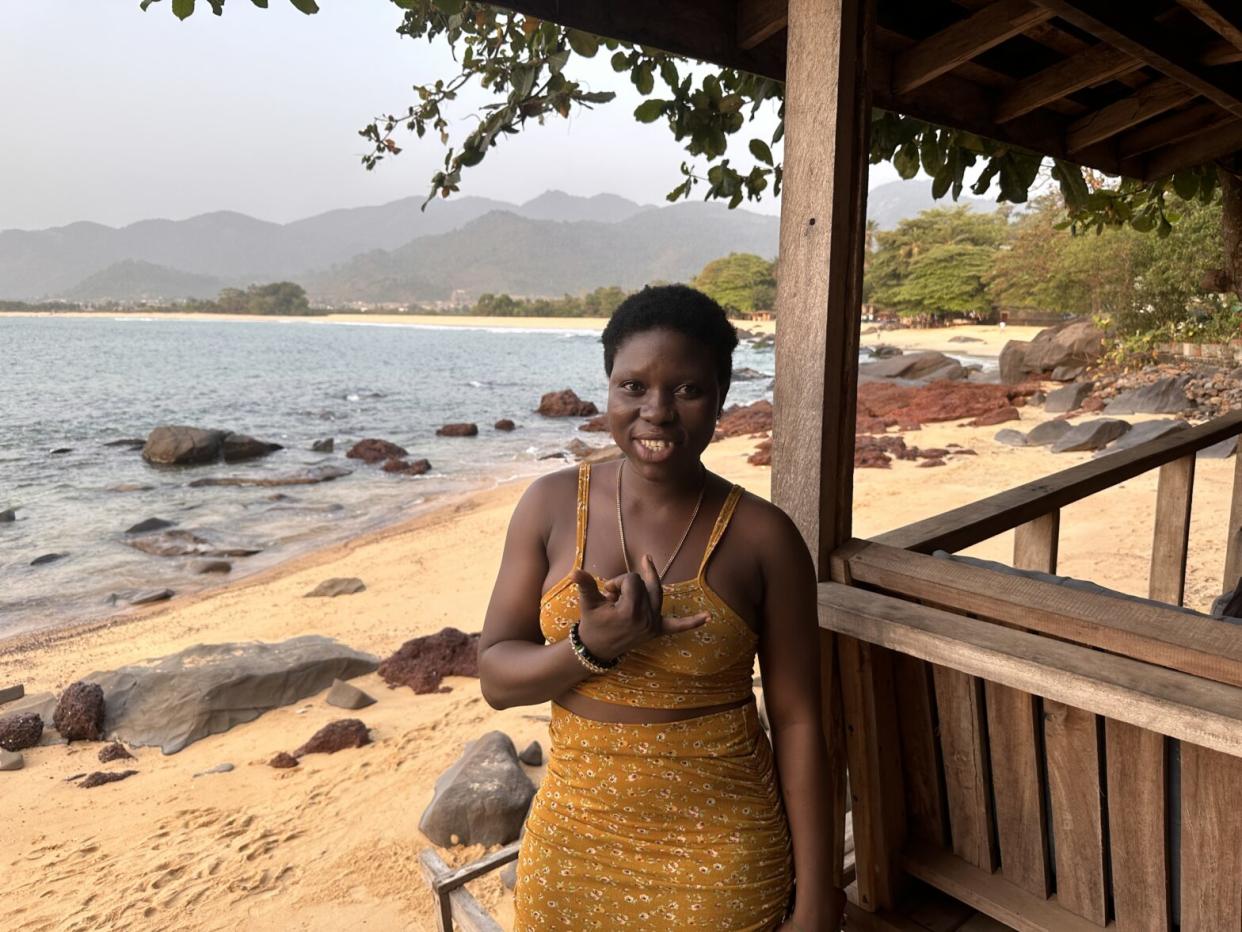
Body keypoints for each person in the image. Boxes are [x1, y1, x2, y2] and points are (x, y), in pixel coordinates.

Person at [479, 284, 842, 931]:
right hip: (572, 848)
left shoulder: (765, 538)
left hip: (719, 853)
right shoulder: (551, 505)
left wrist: (818, 902)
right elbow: (496, 678)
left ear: (722, 399)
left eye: (688, 390)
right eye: (634, 387)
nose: (658, 411)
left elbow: (799, 722)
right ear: (608, 387)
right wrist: (591, 646)